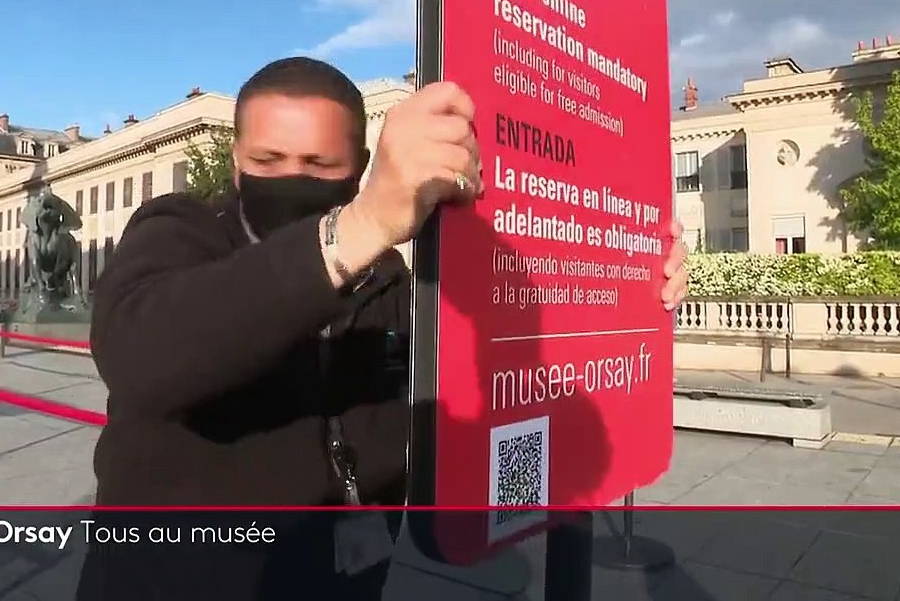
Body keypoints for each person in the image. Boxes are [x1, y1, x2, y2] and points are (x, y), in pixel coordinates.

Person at [76, 57, 689, 599]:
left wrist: (628, 288)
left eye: (319, 164)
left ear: (359, 166)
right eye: (268, 160)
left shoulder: (389, 280)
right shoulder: (179, 230)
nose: (292, 177)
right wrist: (362, 223)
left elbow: (490, 389)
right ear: (237, 163)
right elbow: (142, 358)